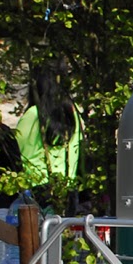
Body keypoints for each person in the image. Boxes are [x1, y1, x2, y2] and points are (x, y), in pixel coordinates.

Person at [16, 57, 83, 193]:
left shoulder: (33, 115)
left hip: (37, 190)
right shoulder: (73, 114)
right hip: (68, 189)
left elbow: (16, 152)